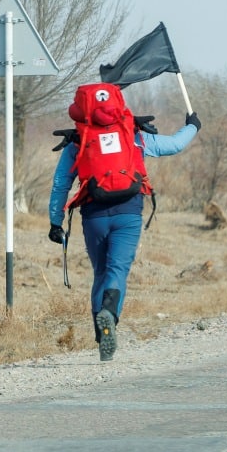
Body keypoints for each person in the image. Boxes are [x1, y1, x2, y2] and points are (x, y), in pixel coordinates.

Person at [48, 107, 201, 362]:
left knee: (100, 272)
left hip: (94, 215)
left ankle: (101, 337)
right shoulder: (135, 135)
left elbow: (61, 182)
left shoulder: (79, 139)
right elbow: (174, 145)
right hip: (128, 214)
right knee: (117, 270)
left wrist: (55, 221)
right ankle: (110, 314)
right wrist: (193, 125)